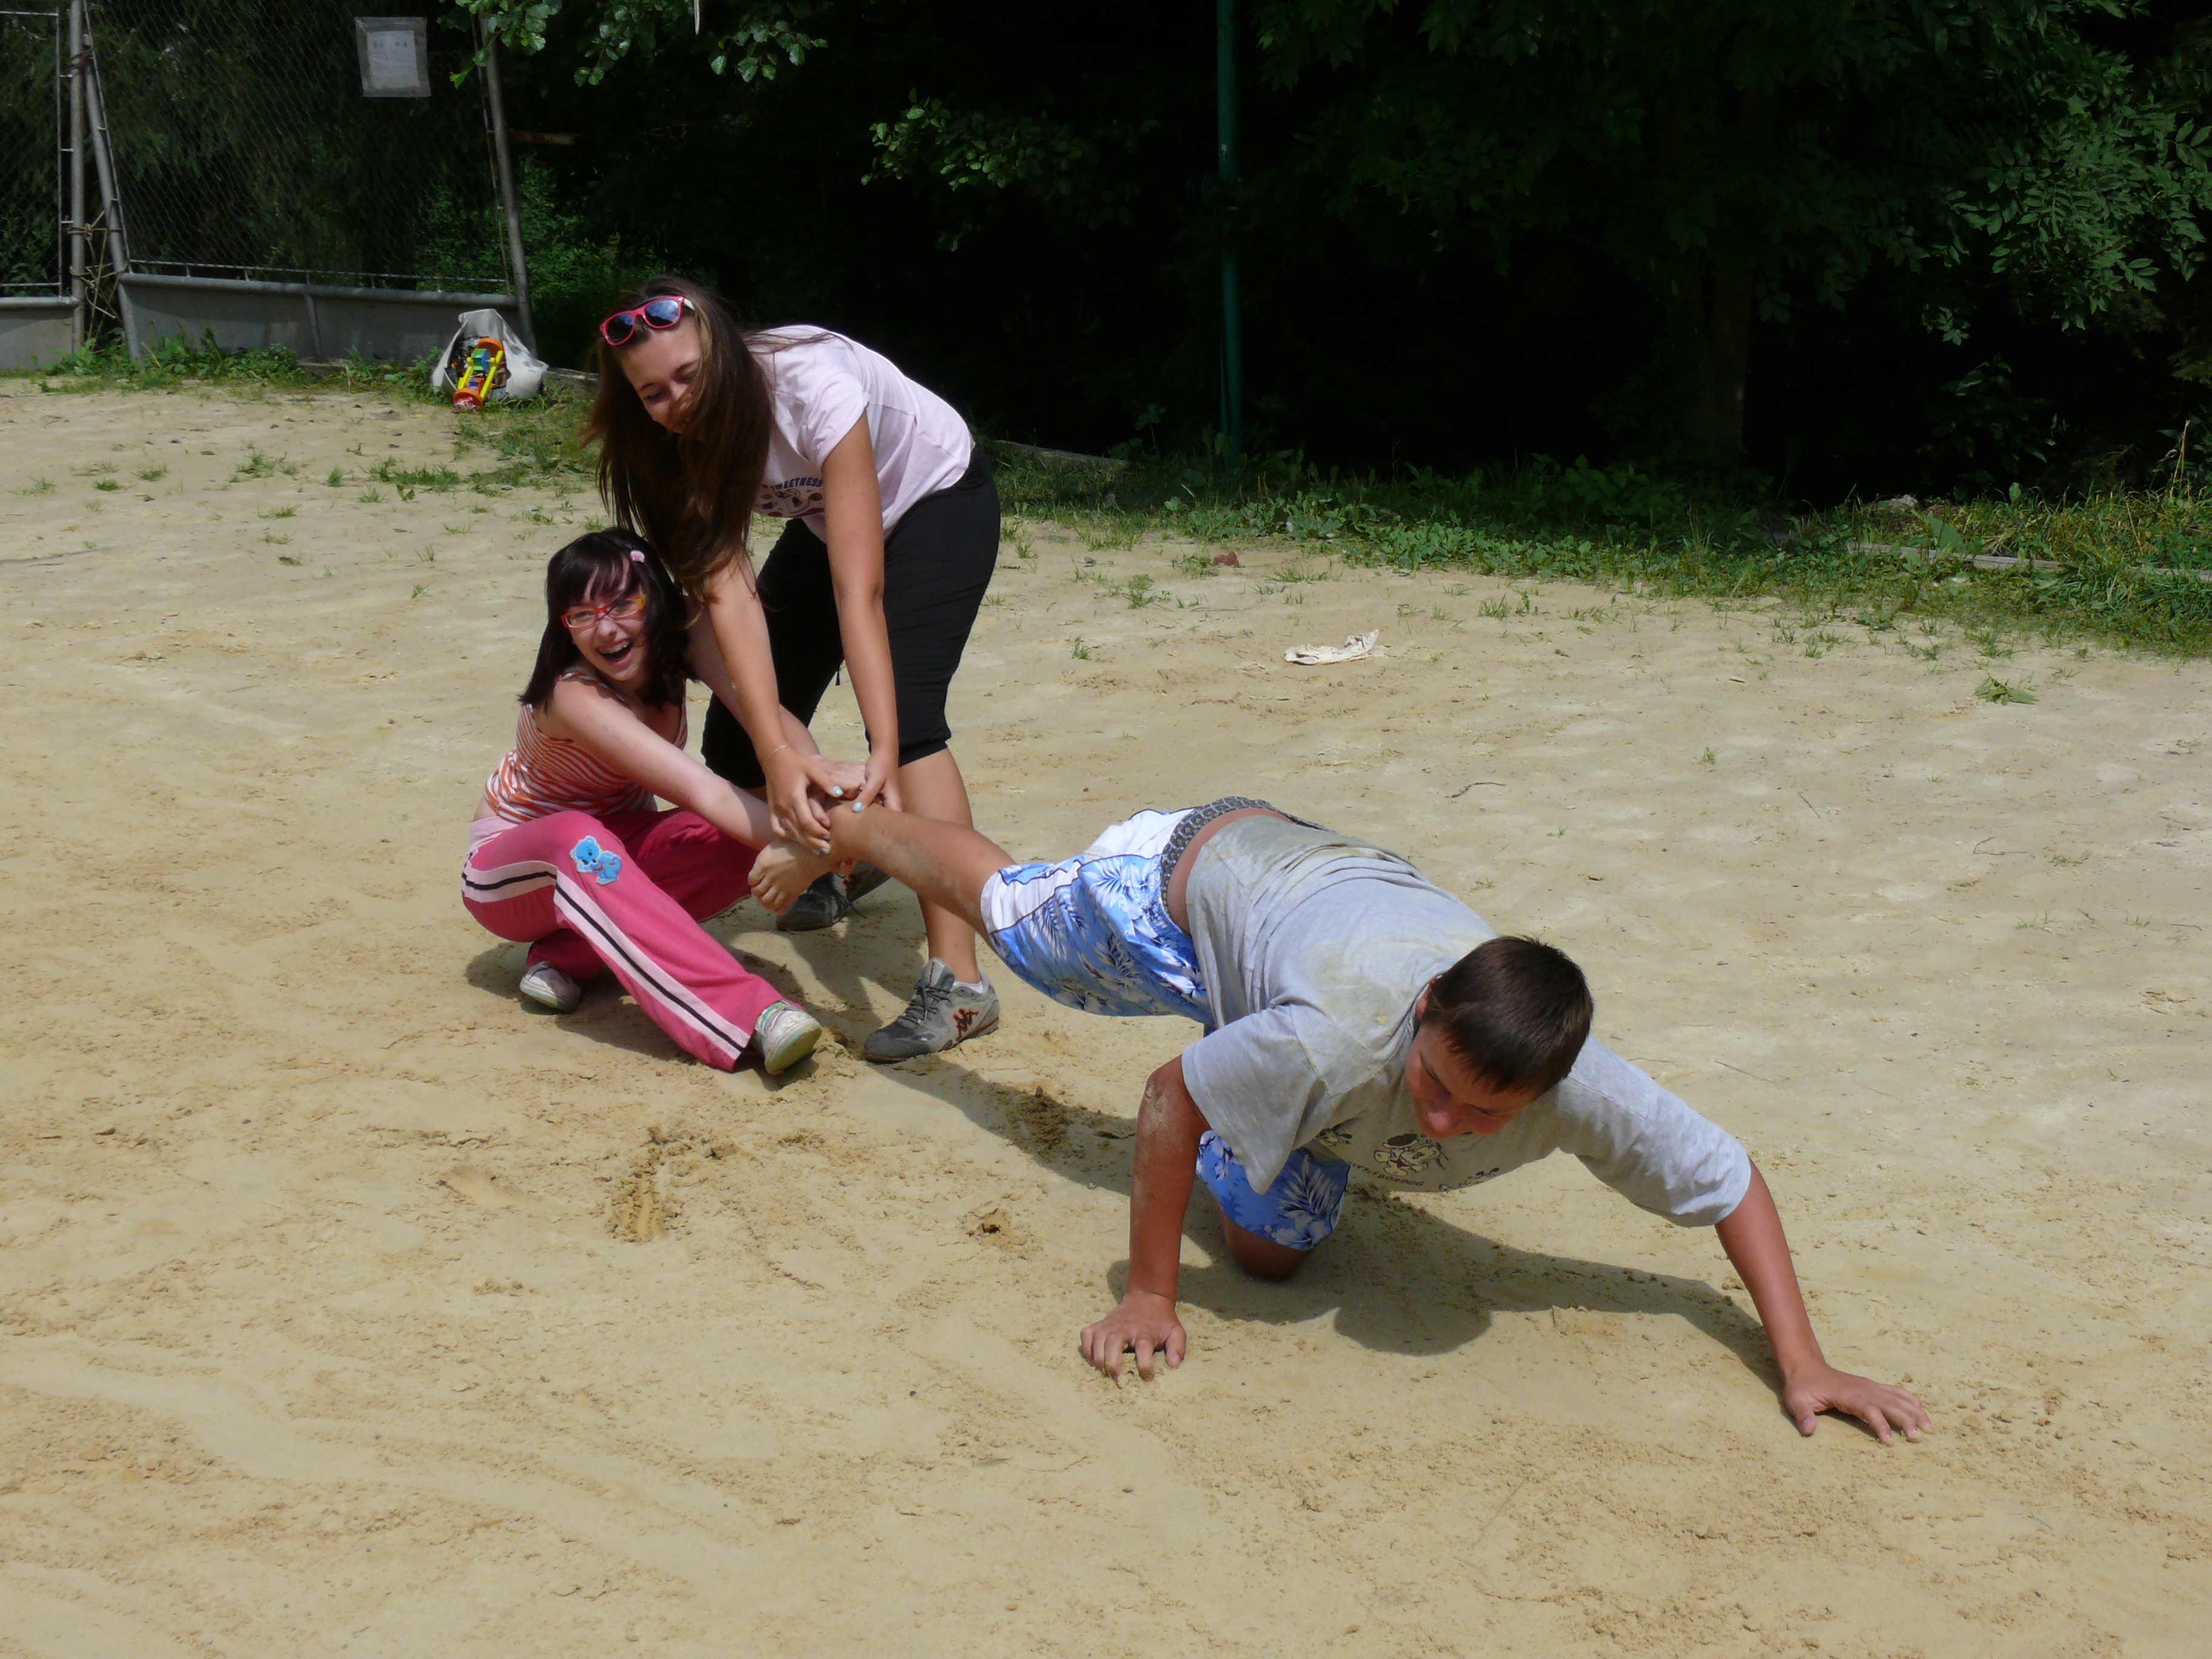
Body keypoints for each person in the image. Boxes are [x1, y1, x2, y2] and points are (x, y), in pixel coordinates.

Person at [749, 799, 1935, 1444]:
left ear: (1543, 1097)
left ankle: (1251, 1082)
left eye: (1484, 1115)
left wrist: (1804, 1362)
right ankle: (850, 828)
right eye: (1436, 1084)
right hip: (1196, 882)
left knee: (1271, 1254)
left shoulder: (1580, 1086)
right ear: (1424, 1012)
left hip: (1328, 918)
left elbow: (1727, 1178)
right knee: (1016, 920)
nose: (1445, 1121)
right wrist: (1149, 1292)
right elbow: (1167, 1095)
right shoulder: (1340, 1039)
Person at [591, 275, 1002, 1062]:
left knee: (912, 725)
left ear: (722, 351)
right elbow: (728, 598)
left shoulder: (812, 386)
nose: (677, 403)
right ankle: (850, 852)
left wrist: (885, 749)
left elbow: (859, 591)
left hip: (937, 500)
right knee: (741, 741)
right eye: (653, 393)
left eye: (688, 376)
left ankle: (960, 985)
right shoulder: (667, 448)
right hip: (825, 526)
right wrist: (782, 757)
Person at [463, 529, 825, 1076]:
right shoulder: (571, 693)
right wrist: (821, 847)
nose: (606, 629)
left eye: (621, 604)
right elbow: (703, 790)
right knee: (578, 836)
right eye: (581, 616)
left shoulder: (684, 637)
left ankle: (569, 953)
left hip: (616, 855)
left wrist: (826, 809)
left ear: (653, 596)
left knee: (735, 838)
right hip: (512, 873)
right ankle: (749, 1013)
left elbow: (767, 718)